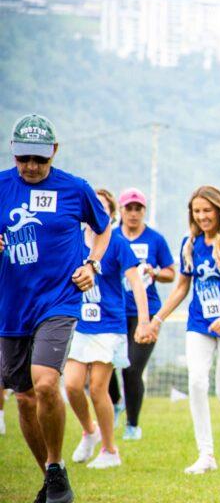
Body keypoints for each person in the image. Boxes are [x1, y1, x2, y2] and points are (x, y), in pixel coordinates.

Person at [0, 114, 111, 503]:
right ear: (14, 153)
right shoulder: (0, 186)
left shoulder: (74, 189)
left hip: (59, 300)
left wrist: (91, 265)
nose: (31, 167)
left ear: (54, 153)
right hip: (11, 306)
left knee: (47, 382)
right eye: (24, 159)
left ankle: (55, 467)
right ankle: (52, 474)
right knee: (26, 398)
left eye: (40, 160)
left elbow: (103, 227)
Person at [149, 185, 220, 474]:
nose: (202, 216)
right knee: (197, 381)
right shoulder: (190, 245)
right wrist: (157, 319)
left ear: (219, 210)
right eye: (196, 211)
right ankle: (207, 455)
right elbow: (181, 288)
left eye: (207, 210)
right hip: (199, 322)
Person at [63, 189, 151, 469]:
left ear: (110, 214)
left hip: (109, 326)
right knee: (73, 385)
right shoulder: (73, 240)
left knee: (99, 388)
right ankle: (89, 431)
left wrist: (145, 321)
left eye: (102, 207)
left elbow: (136, 283)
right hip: (80, 324)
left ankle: (110, 450)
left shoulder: (118, 243)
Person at [109, 187, 175, 440]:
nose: (134, 213)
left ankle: (132, 425)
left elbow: (172, 273)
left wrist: (156, 272)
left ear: (144, 211)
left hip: (145, 312)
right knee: (105, 364)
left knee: (132, 369)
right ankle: (115, 402)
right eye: (129, 208)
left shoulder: (155, 240)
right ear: (121, 211)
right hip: (113, 311)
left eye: (138, 209)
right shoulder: (111, 238)